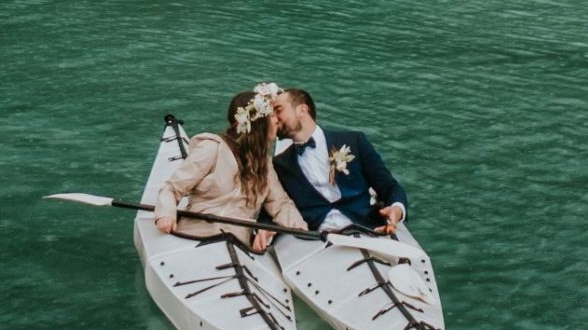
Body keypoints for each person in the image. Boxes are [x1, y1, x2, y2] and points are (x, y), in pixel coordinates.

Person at [154, 84, 305, 252]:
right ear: (258, 123)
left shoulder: (265, 164)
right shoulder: (212, 149)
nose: (277, 119)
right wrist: (166, 214)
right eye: (271, 116)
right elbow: (172, 188)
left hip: (238, 246)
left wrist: (303, 234)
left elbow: (281, 205)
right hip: (194, 237)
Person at [272, 88, 409, 234]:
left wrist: (397, 209)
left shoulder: (354, 142)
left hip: (366, 229)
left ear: (302, 110)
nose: (273, 118)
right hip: (315, 240)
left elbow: (389, 186)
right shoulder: (280, 164)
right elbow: (275, 205)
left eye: (278, 110)